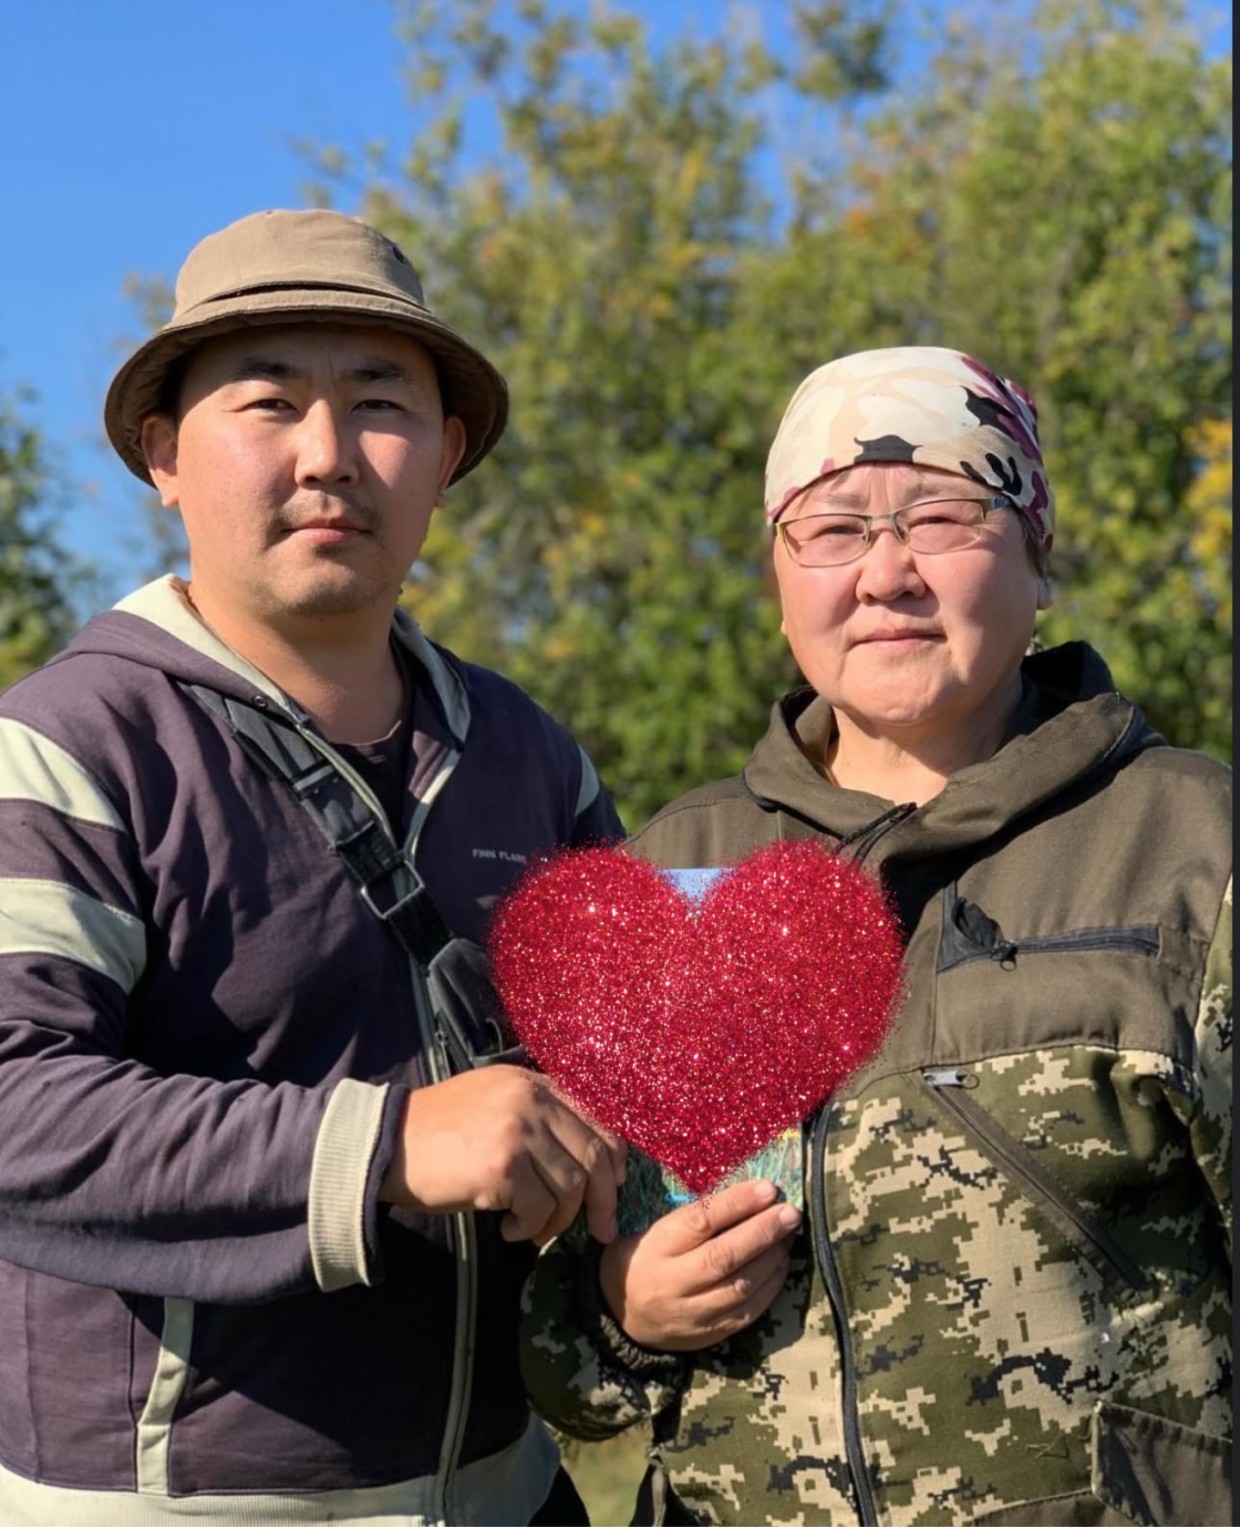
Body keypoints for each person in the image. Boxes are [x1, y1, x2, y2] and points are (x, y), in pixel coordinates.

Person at [521, 347, 1232, 1526]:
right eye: (834, 529)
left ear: (1037, 549)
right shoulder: (667, 873)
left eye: (944, 516)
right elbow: (562, 1365)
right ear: (781, 576)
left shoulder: (1187, 844)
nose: (885, 573)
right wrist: (622, 1309)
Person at [0, 208, 629, 1524]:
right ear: (165, 456)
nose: (330, 454)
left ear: (448, 453)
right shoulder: (66, 748)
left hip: (516, 1491)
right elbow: (18, 1108)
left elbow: (634, 1068)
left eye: (381, 403)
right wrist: (386, 1142)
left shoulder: (529, 754)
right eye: (269, 401)